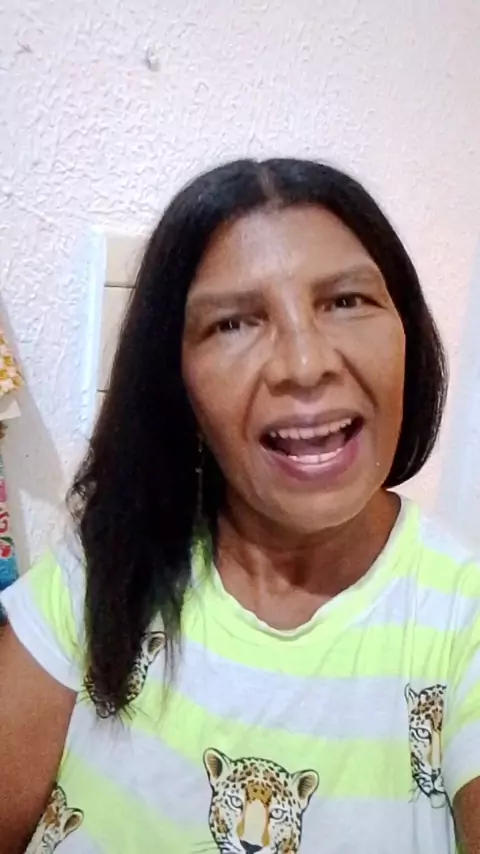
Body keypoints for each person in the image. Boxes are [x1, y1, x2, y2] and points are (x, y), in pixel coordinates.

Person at [1, 158, 479, 854]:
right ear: (178, 381)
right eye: (233, 323)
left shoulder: (463, 623)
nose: (305, 364)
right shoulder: (106, 567)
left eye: (346, 301)